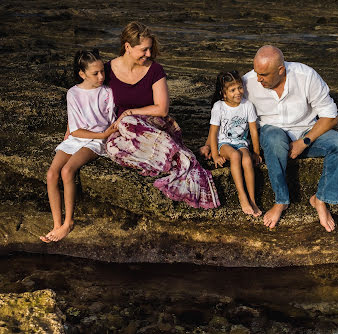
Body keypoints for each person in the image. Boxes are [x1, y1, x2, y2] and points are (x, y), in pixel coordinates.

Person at [202, 45, 338, 231]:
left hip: (306, 133)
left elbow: (331, 116)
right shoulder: (248, 83)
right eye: (256, 72)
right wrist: (210, 144)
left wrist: (304, 143)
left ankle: (320, 199)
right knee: (273, 138)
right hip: (272, 135)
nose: (258, 79)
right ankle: (281, 201)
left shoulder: (306, 76)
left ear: (281, 70)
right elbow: (225, 111)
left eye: (263, 75)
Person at [105, 21, 219, 209]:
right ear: (127, 47)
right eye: (144, 50)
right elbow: (87, 97)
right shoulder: (108, 70)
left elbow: (162, 109)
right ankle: (167, 161)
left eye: (150, 49)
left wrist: (131, 113)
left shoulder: (155, 70)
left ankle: (180, 157)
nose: (149, 54)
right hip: (127, 132)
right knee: (111, 147)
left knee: (127, 121)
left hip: (154, 125)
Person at [41, 49, 117, 242]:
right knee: (51, 174)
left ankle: (68, 222)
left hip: (97, 139)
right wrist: (71, 134)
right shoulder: (73, 93)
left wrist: (105, 135)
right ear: (82, 74)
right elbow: (74, 129)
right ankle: (57, 224)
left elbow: (110, 122)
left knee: (67, 171)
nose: (101, 76)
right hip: (78, 137)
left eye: (103, 72)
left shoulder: (107, 92)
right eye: (95, 73)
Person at [208, 71, 262, 216]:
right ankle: (242, 196)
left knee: (246, 159)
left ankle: (252, 199)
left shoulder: (247, 105)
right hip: (224, 144)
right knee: (236, 156)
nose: (238, 92)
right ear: (223, 93)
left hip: (241, 143)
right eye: (232, 90)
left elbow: (253, 131)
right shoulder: (219, 107)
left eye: (239, 88)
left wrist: (256, 152)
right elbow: (213, 133)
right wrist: (215, 155)